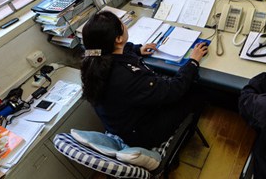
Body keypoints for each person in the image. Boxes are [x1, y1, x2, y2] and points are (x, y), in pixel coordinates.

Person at [80, 11, 208, 148]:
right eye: (121, 22)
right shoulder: (127, 77)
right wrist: (193, 61)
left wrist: (138, 49)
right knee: (198, 91)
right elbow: (174, 90)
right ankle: (184, 139)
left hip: (125, 121)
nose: (124, 23)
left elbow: (123, 51)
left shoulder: (93, 59)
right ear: (118, 39)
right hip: (144, 133)